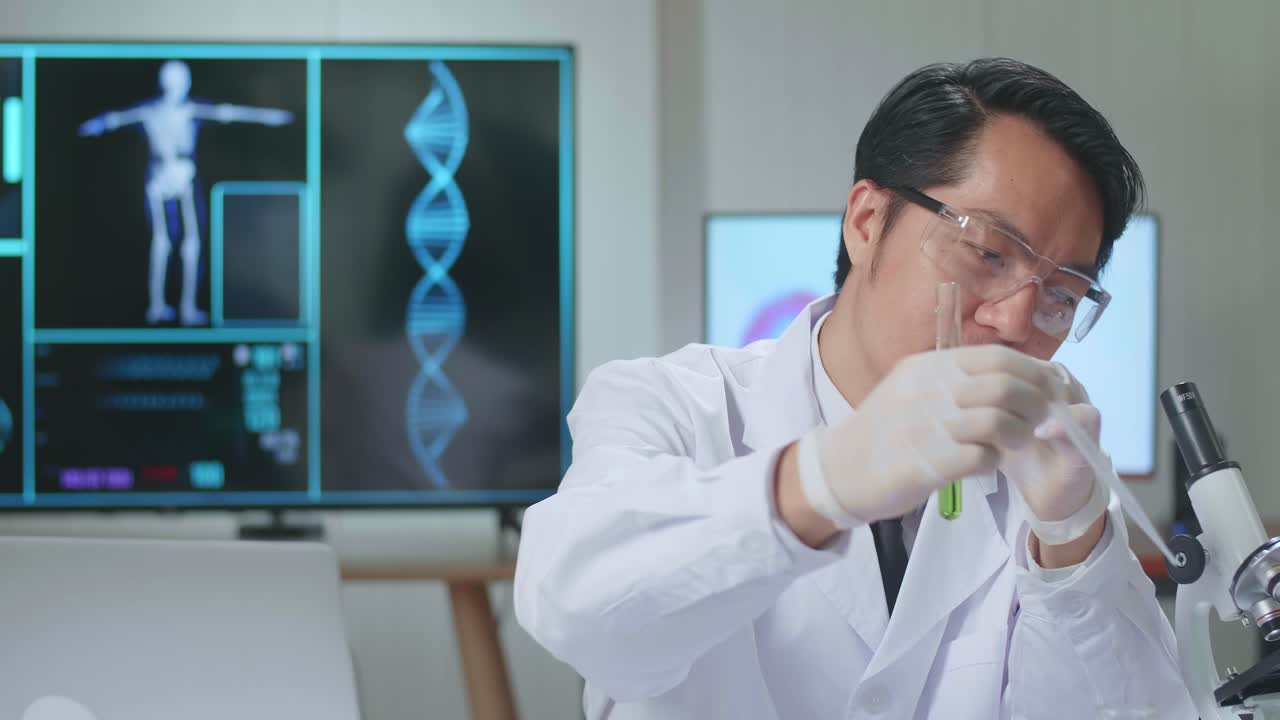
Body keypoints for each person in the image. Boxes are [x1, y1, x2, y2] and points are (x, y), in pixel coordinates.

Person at [514, 58, 1196, 719]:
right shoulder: (675, 405)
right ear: (868, 221)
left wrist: (1074, 545)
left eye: (1061, 292)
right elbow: (576, 611)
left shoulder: (1045, 480)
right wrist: (824, 481)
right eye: (988, 253)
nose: (1016, 319)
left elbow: (1136, 709)